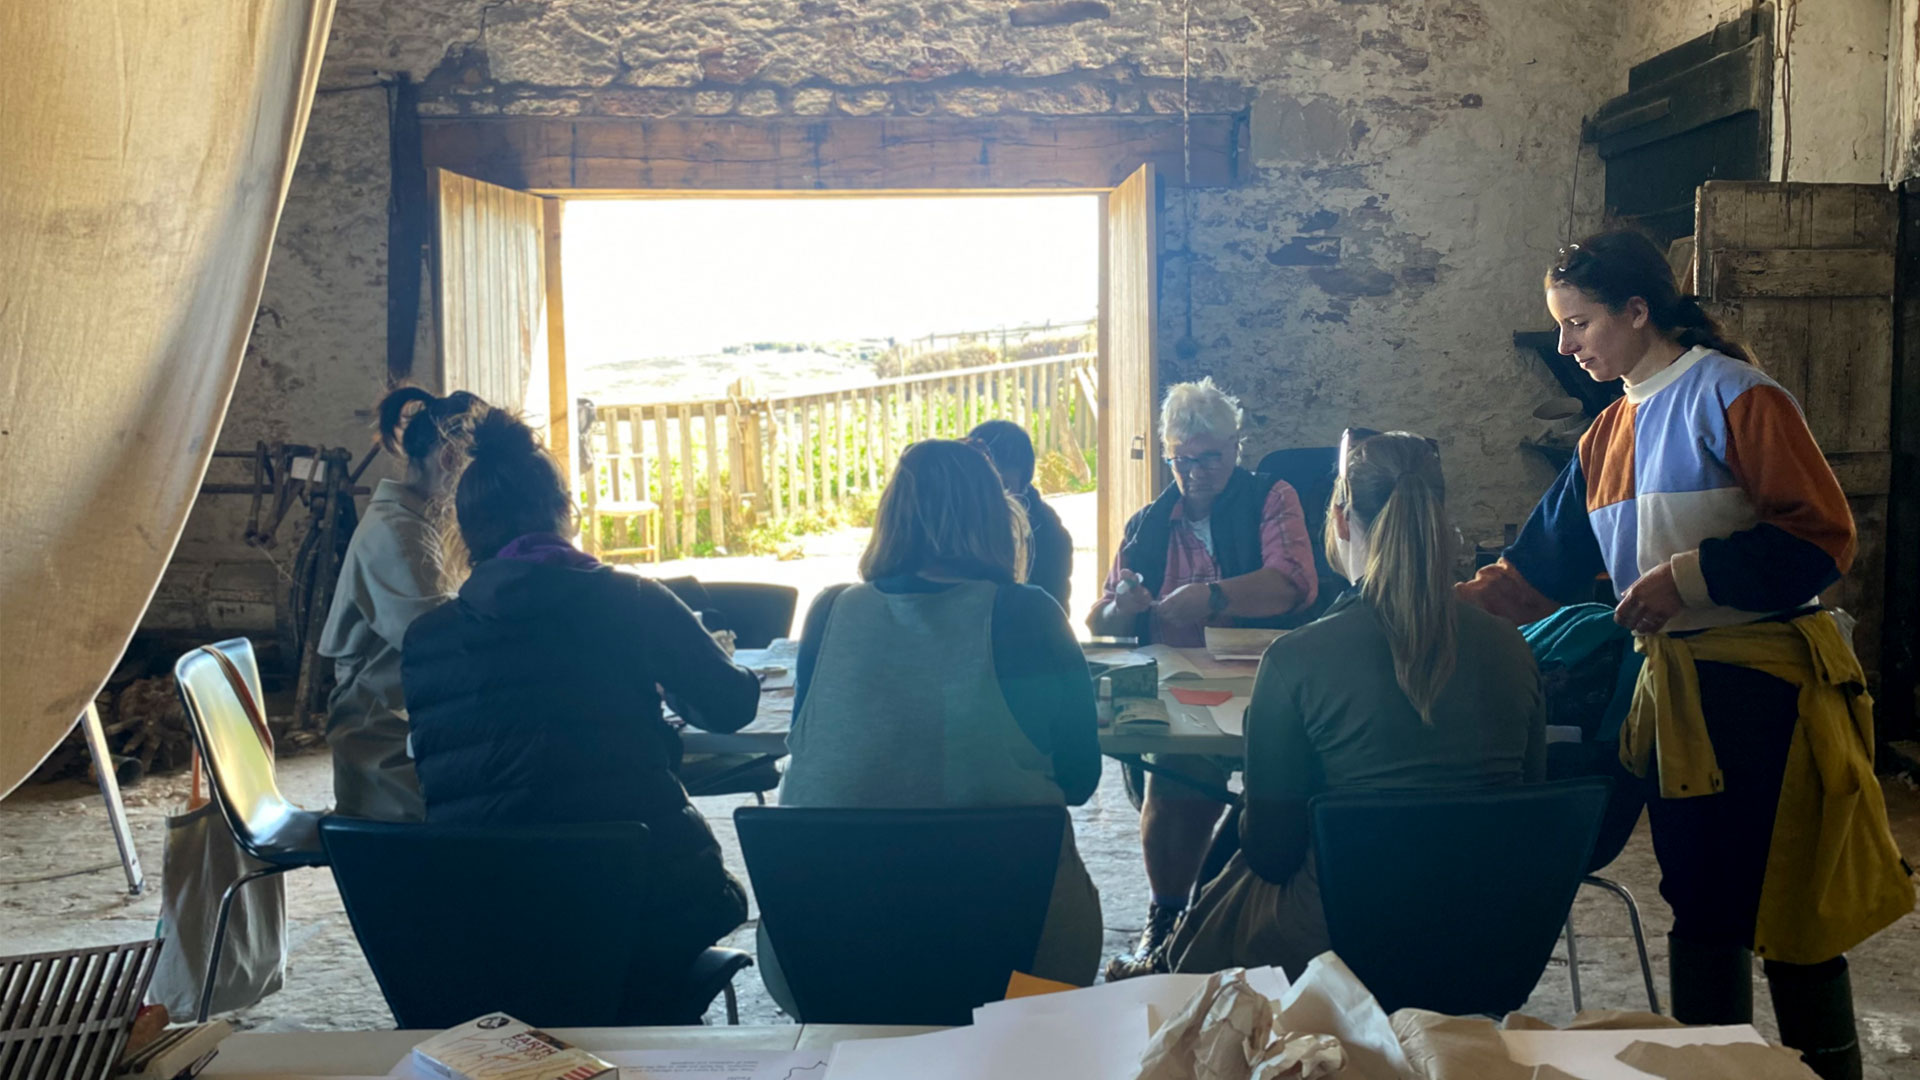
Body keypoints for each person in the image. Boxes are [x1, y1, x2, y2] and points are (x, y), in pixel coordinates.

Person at [1459, 230, 1912, 1080]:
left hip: (1767, 690)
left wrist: (1686, 579)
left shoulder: (1736, 396)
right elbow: (1531, 576)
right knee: (1701, 898)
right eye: (1560, 326)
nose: (1566, 344)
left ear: (1638, 311)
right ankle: (1713, 1070)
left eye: (1580, 322)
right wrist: (1414, 611)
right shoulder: (1605, 435)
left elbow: (1821, 539)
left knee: (1793, 904)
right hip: (1679, 695)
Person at [402, 409, 759, 1022]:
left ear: (465, 530)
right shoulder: (632, 600)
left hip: (490, 917)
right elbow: (730, 706)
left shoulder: (426, 638)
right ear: (563, 511)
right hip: (642, 906)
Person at [1148, 431, 1545, 977]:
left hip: (1337, 943)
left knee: (1225, 890)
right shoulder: (1511, 647)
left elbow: (1271, 854)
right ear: (1440, 518)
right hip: (1487, 933)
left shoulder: (1295, 659)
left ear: (1338, 519)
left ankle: (1169, 971)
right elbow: (1527, 808)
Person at [771, 439, 1104, 1005]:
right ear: (998, 518)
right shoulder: (1029, 616)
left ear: (890, 516)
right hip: (1019, 961)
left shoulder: (829, 613)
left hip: (826, 956)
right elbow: (1079, 781)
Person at [1086, 378, 1319, 979]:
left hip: (1267, 678)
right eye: (1182, 460)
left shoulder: (1271, 497)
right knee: (1177, 776)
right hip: (1181, 685)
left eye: (1209, 458)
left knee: (1291, 781)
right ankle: (1167, 917)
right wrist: (1125, 606)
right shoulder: (1149, 523)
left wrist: (1212, 596)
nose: (1195, 473)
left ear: (1236, 447)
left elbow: (1293, 584)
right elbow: (1100, 618)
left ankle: (1272, 909)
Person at [318, 386, 480, 821]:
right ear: (451, 459)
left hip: (414, 713)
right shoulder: (397, 532)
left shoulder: (422, 522)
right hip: (381, 729)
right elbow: (443, 643)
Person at [968, 419, 1073, 611]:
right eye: (982, 484)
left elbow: (1054, 610)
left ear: (1024, 484)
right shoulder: (952, 520)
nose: (990, 494)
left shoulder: (1049, 533)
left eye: (1003, 486)